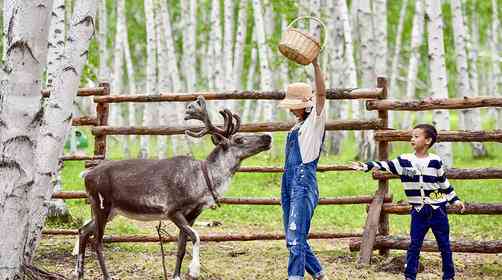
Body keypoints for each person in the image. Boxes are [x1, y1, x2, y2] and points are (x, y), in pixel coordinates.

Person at [351, 124, 466, 280]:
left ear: (428, 140)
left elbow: (443, 183)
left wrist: (455, 200)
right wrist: (366, 166)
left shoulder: (435, 161)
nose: (412, 139)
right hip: (419, 211)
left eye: (416, 136)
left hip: (438, 209)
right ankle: (410, 276)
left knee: (444, 244)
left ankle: (449, 276)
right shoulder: (404, 161)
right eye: (412, 136)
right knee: (414, 245)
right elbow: (385, 165)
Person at [278, 57, 328, 280]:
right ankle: (319, 274)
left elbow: (322, 95)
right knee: (292, 237)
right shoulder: (296, 127)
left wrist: (316, 65)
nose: (291, 110)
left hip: (303, 183)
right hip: (289, 182)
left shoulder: (314, 123)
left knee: (296, 237)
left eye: (294, 105)